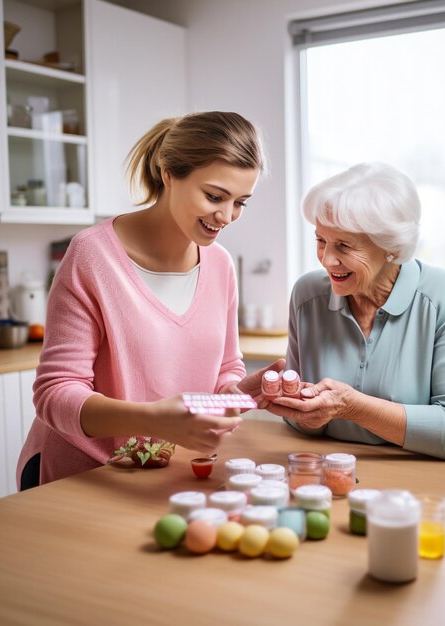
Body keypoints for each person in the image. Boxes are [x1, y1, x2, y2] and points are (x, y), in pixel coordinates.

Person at [17, 111, 284, 489]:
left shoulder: (221, 264)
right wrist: (152, 420)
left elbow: (224, 370)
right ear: (168, 173)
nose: (226, 216)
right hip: (84, 477)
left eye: (241, 202)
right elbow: (55, 394)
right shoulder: (92, 255)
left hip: (165, 476)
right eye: (214, 196)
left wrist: (241, 393)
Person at [265, 162, 445, 461]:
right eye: (321, 241)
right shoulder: (307, 295)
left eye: (344, 245)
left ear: (390, 246)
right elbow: (300, 420)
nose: (327, 260)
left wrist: (353, 407)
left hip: (416, 483)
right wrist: (305, 415)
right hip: (328, 474)